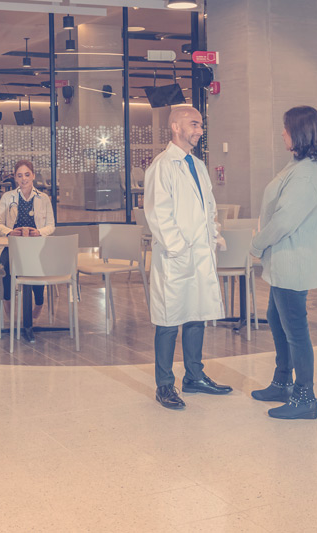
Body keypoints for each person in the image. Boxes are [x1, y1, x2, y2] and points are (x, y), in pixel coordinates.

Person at [144, 106, 232, 410]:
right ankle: (164, 385)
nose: (200, 129)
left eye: (200, 125)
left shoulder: (197, 165)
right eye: (194, 124)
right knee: (169, 320)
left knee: (196, 314)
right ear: (176, 127)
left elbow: (209, 207)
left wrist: (214, 235)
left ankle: (194, 376)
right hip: (175, 257)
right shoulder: (163, 165)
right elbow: (158, 214)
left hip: (200, 253)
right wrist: (180, 249)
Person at [249, 106, 317, 420]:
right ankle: (282, 381)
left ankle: (304, 397)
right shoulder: (300, 165)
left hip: (292, 262)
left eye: (285, 129)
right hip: (282, 261)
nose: (282, 133)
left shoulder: (309, 172)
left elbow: (284, 221)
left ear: (299, 132)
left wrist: (256, 243)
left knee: (295, 330)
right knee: (276, 319)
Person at [0, 160, 55, 319]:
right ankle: (7, 299)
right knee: (6, 265)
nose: (24, 179)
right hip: (13, 245)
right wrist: (10, 232)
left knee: (37, 269)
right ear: (15, 178)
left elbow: (51, 226)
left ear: (33, 176)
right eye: (20, 175)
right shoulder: (8, 197)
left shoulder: (43, 199)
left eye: (27, 175)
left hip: (36, 246)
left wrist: (39, 232)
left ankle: (39, 302)